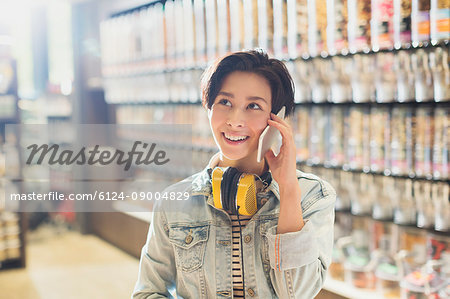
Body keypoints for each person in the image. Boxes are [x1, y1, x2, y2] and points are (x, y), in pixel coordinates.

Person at [132, 49, 336, 299]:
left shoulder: (314, 197)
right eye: (225, 102)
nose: (235, 120)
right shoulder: (173, 203)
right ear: (208, 107)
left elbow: (298, 293)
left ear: (277, 118)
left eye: (253, 106)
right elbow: (148, 292)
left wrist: (289, 190)